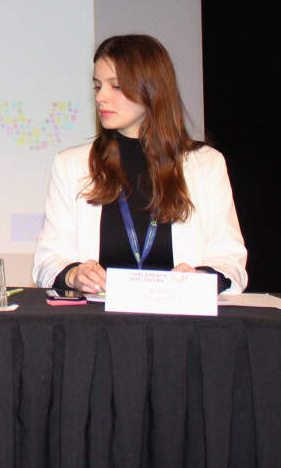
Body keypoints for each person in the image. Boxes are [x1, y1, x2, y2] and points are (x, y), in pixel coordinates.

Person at [33, 34, 247, 293]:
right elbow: (48, 260)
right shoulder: (71, 165)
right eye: (97, 86)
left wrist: (202, 277)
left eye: (116, 86)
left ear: (152, 90)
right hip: (97, 324)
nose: (101, 97)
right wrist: (74, 274)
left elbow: (231, 258)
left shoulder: (206, 164)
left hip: (181, 321)